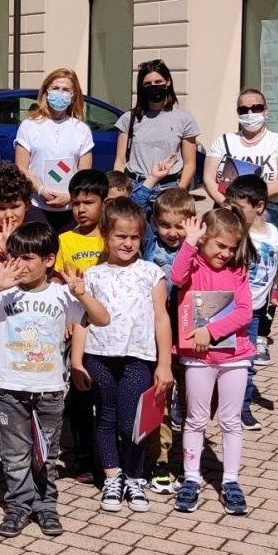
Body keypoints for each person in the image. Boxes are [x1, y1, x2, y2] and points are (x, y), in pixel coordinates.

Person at [0, 223, 108, 538]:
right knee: (14, 453)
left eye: (27, 258)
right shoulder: (4, 293)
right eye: (13, 257)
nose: (20, 266)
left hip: (50, 389)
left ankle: (45, 505)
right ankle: (17, 506)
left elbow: (101, 319)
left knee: (46, 453)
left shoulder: (61, 295)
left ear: (49, 260)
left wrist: (81, 294)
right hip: (10, 387)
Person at [72, 198, 173, 514]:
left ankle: (135, 476)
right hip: (99, 356)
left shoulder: (151, 273)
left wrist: (165, 364)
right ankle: (113, 476)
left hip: (138, 358)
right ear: (105, 234)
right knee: (105, 417)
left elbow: (161, 318)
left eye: (134, 237)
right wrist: (76, 361)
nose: (128, 243)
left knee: (134, 422)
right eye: (120, 236)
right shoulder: (92, 276)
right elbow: (82, 320)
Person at [203, 88, 278, 364]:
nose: (250, 114)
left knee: (272, 276)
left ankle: (261, 335)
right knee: (226, 269)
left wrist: (248, 199)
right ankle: (221, 324)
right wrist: (229, 203)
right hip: (229, 215)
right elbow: (209, 177)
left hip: (272, 216)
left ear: (266, 110)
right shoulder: (223, 142)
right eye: (243, 109)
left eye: (255, 107)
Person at [169, 209, 256, 515]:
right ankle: (191, 478)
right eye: (220, 245)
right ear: (204, 237)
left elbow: (245, 311)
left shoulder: (238, 271)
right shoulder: (191, 265)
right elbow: (176, 277)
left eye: (232, 248)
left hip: (235, 357)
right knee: (195, 418)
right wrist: (189, 243)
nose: (226, 253)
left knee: (231, 421)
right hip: (198, 358)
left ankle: (230, 480)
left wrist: (211, 330)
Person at [137, 186, 195, 495]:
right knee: (160, 398)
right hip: (157, 335)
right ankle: (159, 459)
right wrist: (153, 180)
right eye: (166, 225)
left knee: (190, 402)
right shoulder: (147, 245)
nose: (172, 233)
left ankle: (190, 457)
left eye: (180, 225)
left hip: (189, 337)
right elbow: (132, 201)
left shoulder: (199, 249)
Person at [53, 169, 108, 483]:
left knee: (105, 396)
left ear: (104, 202)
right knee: (80, 395)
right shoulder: (65, 239)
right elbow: (59, 285)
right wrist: (68, 320)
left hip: (107, 327)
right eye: (75, 203)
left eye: (88, 202)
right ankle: (84, 458)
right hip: (77, 330)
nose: (81, 209)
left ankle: (107, 456)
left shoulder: (113, 238)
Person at [223, 175, 278, 431]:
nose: (232, 213)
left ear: (259, 206)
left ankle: (243, 408)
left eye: (238, 209)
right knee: (224, 357)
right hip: (230, 307)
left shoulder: (277, 235)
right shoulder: (236, 233)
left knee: (247, 361)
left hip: (256, 310)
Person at [15, 69, 94, 231]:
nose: (60, 93)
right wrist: (41, 190)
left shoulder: (81, 129)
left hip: (70, 209)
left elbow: (84, 173)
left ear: (74, 95)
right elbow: (22, 168)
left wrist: (71, 196)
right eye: (56, 88)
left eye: (66, 90)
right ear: (46, 91)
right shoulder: (29, 126)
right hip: (37, 206)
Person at [112, 60, 199, 195]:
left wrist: (180, 191)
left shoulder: (184, 119)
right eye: (148, 84)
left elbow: (189, 163)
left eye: (158, 82)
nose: (153, 87)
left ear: (168, 82)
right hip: (134, 186)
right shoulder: (129, 118)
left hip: (168, 188)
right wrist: (117, 191)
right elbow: (120, 161)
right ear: (141, 87)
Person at [0, 163, 49, 274]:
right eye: (1, 208)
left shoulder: (37, 238)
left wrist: (9, 249)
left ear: (27, 205)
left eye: (15, 206)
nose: (8, 214)